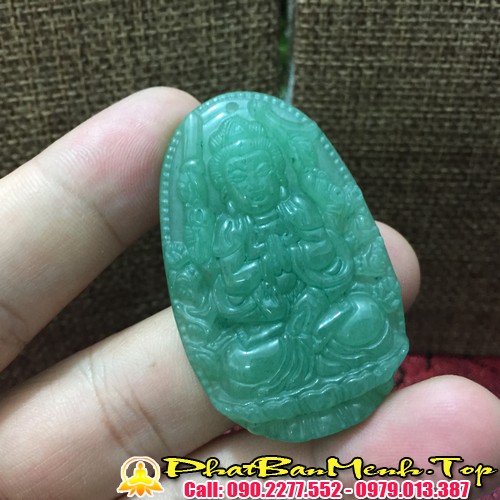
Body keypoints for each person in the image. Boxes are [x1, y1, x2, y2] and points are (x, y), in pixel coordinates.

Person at [0, 88, 498, 499]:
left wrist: (310, 247)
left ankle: (320, 370)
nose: (253, 183)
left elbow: (337, 272)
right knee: (242, 361)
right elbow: (227, 305)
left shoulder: (301, 209)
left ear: (276, 169)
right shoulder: (230, 232)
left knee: (364, 313)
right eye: (239, 176)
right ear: (226, 184)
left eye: (261, 170)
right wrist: (249, 282)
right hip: (272, 337)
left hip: (322, 322)